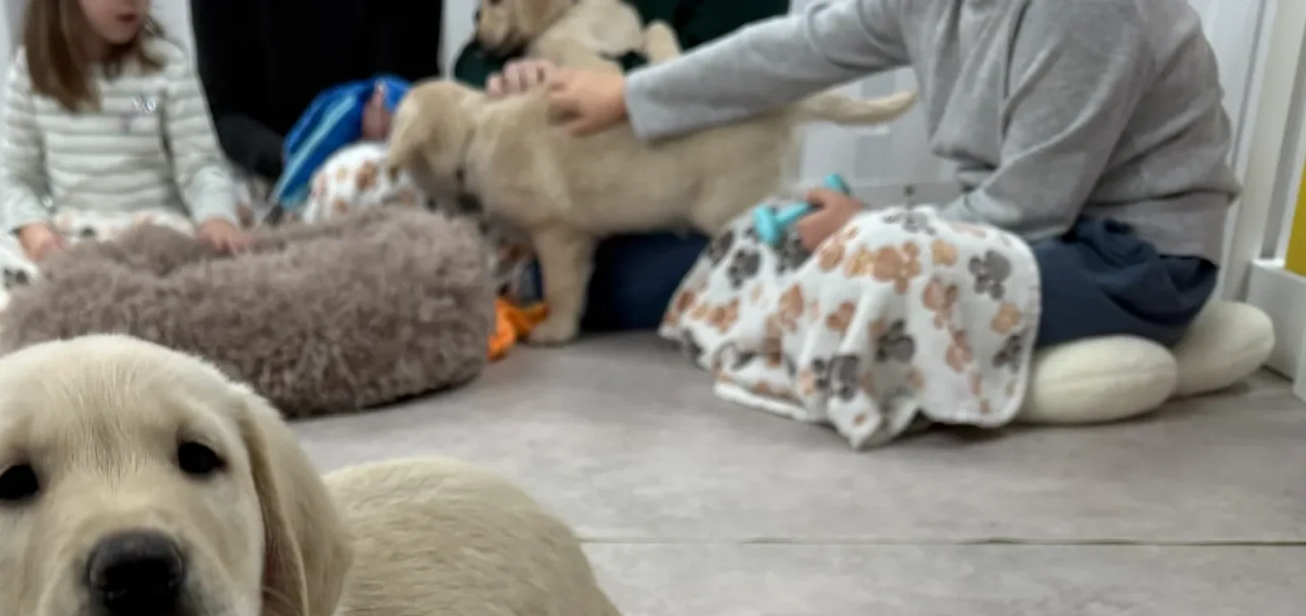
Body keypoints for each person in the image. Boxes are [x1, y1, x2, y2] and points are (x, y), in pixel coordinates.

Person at [544, 0, 1244, 357]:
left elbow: (1028, 209)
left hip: (1130, 261)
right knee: (771, 245)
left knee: (852, 266)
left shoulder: (1088, 12)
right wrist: (631, 96)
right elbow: (794, 50)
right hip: (1011, 232)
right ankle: (575, 282)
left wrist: (867, 227)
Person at [0, 0, 243, 357]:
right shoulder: (32, 72)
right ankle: (48, 320)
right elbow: (19, 179)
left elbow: (200, 165)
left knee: (190, 279)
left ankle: (0, 323)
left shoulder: (163, 71)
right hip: (68, 246)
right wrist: (35, 232)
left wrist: (216, 217)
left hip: (146, 240)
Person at [446, 0, 790, 331]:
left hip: (673, 201)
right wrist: (510, 75)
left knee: (626, 283)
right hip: (560, 200)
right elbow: (473, 59)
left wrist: (607, 87)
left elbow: (726, 79)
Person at [189, 0, 442, 184]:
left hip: (379, 156)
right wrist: (291, 158)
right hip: (269, 166)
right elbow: (222, 109)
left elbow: (412, 82)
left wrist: (390, 108)